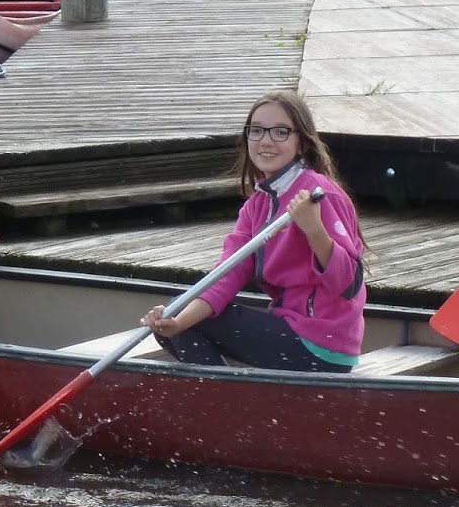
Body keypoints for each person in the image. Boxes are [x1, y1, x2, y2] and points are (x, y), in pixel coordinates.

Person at [141, 90, 366, 372]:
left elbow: (348, 283)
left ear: (302, 143)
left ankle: (221, 395)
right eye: (256, 131)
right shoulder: (256, 206)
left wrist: (315, 230)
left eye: (281, 132)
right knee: (174, 317)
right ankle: (222, 393)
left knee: (184, 316)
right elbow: (226, 276)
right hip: (289, 328)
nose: (266, 141)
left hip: (323, 346)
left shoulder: (320, 195)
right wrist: (175, 323)